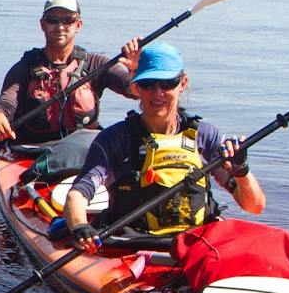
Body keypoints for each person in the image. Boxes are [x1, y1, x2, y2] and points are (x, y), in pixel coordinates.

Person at [64, 42, 264, 251]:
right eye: (149, 83)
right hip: (132, 246)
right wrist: (80, 226)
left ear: (182, 83)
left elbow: (254, 206)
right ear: (136, 87)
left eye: (167, 83)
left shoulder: (204, 137)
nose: (158, 93)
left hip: (196, 246)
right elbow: (77, 196)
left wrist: (241, 170)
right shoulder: (114, 139)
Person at [0, 0, 143, 146]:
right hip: (33, 150)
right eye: (52, 20)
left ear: (78, 25)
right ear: (42, 24)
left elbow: (133, 90)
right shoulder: (24, 68)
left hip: (83, 152)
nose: (60, 27)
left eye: (68, 20)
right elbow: (5, 104)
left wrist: (135, 71)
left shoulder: (96, 64)